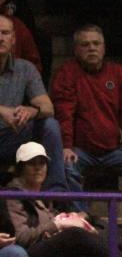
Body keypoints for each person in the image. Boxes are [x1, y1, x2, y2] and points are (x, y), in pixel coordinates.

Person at [49, 25, 122, 218]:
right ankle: (81, 217)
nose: (92, 48)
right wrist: (66, 145)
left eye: (96, 43)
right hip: (80, 150)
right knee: (65, 166)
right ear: (76, 49)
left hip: (113, 150)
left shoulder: (118, 74)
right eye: (85, 44)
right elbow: (64, 112)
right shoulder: (67, 73)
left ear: (104, 48)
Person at [0, 17, 68, 198]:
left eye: (5, 33)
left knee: (50, 124)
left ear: (13, 39)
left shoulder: (25, 69)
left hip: (10, 136)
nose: (0, 38)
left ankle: (57, 195)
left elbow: (48, 107)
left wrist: (31, 111)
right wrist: (2, 110)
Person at [5, 142, 107, 257]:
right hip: (29, 250)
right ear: (21, 168)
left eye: (42, 163)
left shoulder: (45, 195)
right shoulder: (13, 195)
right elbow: (21, 237)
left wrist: (78, 216)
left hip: (52, 245)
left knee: (100, 225)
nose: (38, 168)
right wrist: (58, 225)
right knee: (75, 234)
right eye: (31, 163)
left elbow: (55, 218)